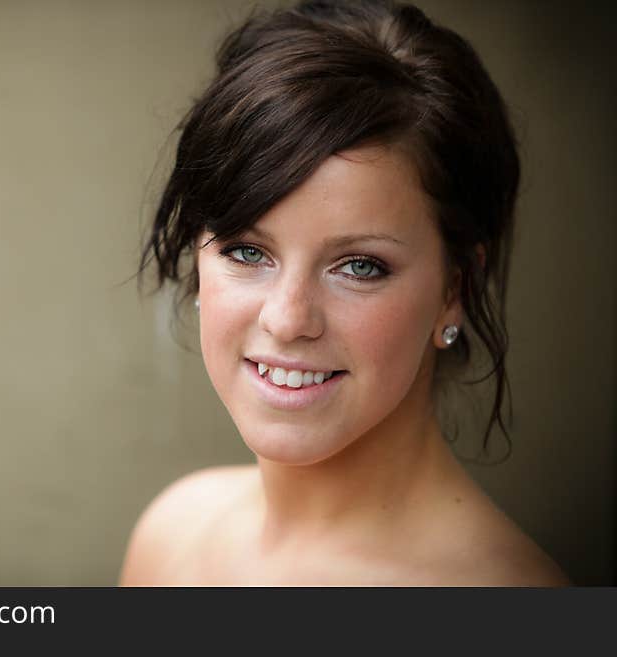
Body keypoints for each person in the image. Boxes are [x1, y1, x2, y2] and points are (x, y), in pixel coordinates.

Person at [119, 0, 571, 586]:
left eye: (358, 266)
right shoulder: (172, 535)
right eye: (246, 251)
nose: (286, 319)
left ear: (455, 288)